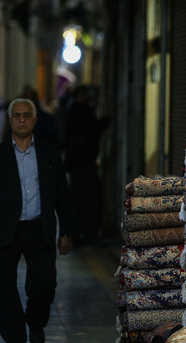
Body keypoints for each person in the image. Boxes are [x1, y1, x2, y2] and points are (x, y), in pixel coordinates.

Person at [0, 98, 73, 343]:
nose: (21, 120)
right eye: (16, 115)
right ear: (9, 120)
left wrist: (66, 231)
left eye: (26, 115)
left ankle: (35, 322)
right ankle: (15, 341)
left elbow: (62, 194)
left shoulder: (50, 153)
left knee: (44, 285)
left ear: (35, 120)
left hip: (39, 229)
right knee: (5, 291)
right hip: (5, 232)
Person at [63, 85, 108, 245]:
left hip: (76, 163)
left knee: (78, 199)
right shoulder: (80, 111)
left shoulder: (71, 110)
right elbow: (91, 130)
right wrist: (104, 121)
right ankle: (86, 233)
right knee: (87, 199)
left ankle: (77, 232)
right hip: (84, 163)